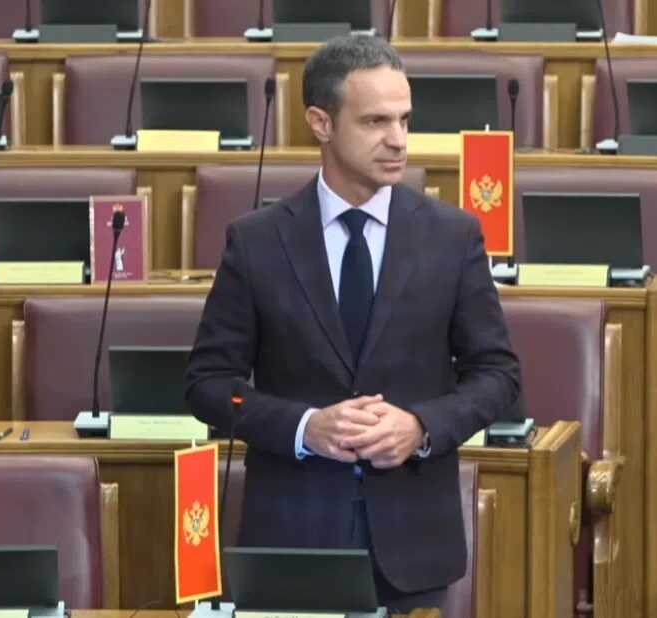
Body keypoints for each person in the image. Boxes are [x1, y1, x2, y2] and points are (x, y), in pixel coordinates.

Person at [185, 35, 521, 612]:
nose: (398, 139)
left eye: (404, 119)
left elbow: (497, 374)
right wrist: (305, 426)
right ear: (321, 123)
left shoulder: (453, 236)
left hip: (414, 539)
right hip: (292, 537)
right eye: (375, 121)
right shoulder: (258, 241)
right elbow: (209, 385)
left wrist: (421, 425)